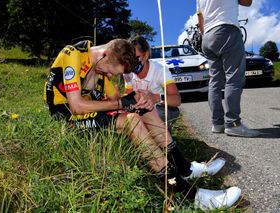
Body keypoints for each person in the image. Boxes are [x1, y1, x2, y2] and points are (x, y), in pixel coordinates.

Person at [44, 39, 241, 210]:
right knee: (131, 120)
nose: (111, 76)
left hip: (87, 113)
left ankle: (183, 168)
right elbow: (77, 106)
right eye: (112, 71)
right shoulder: (73, 54)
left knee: (144, 109)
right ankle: (185, 194)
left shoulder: (101, 67)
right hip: (66, 116)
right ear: (105, 55)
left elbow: (116, 98)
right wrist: (123, 103)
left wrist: (138, 99)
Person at [197, 0, 260, 137]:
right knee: (234, 77)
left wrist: (205, 34)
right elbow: (247, 2)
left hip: (207, 36)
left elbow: (200, 19)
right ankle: (233, 123)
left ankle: (217, 123)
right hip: (226, 29)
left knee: (215, 82)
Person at [123, 35, 180, 131]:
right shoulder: (128, 73)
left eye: (136, 58)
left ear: (146, 55)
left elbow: (177, 100)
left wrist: (156, 97)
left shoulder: (160, 71)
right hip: (139, 110)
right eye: (129, 59)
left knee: (156, 115)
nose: (132, 63)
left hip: (160, 108)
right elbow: (128, 96)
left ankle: (164, 136)